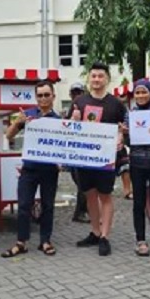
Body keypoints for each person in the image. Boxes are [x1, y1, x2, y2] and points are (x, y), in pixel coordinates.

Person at [71, 62, 127, 256]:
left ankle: (105, 236)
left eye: (100, 76)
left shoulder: (116, 104)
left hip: (106, 158)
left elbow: (123, 128)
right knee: (90, 195)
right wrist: (74, 120)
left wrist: (121, 136)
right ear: (89, 78)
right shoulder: (79, 102)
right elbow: (69, 129)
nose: (96, 79)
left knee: (105, 195)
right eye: (93, 76)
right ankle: (95, 232)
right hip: (84, 157)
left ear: (107, 79)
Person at [1, 81, 61, 257]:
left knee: (48, 206)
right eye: (40, 95)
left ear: (53, 96)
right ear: (36, 97)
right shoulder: (27, 114)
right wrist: (17, 123)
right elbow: (8, 135)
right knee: (24, 205)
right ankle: (21, 242)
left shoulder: (59, 121)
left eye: (46, 95)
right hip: (29, 168)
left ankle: (45, 241)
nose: (43, 98)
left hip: (49, 169)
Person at [121, 79, 150, 257]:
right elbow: (128, 142)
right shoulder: (130, 114)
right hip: (137, 163)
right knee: (138, 203)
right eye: (137, 93)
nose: (140, 96)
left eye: (144, 92)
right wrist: (125, 134)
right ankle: (140, 240)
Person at [67, 82, 89, 223]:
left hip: (83, 151)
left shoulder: (85, 105)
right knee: (82, 184)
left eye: (79, 92)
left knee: (84, 184)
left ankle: (83, 211)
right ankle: (80, 212)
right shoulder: (74, 107)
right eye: (75, 93)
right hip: (76, 152)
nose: (77, 95)